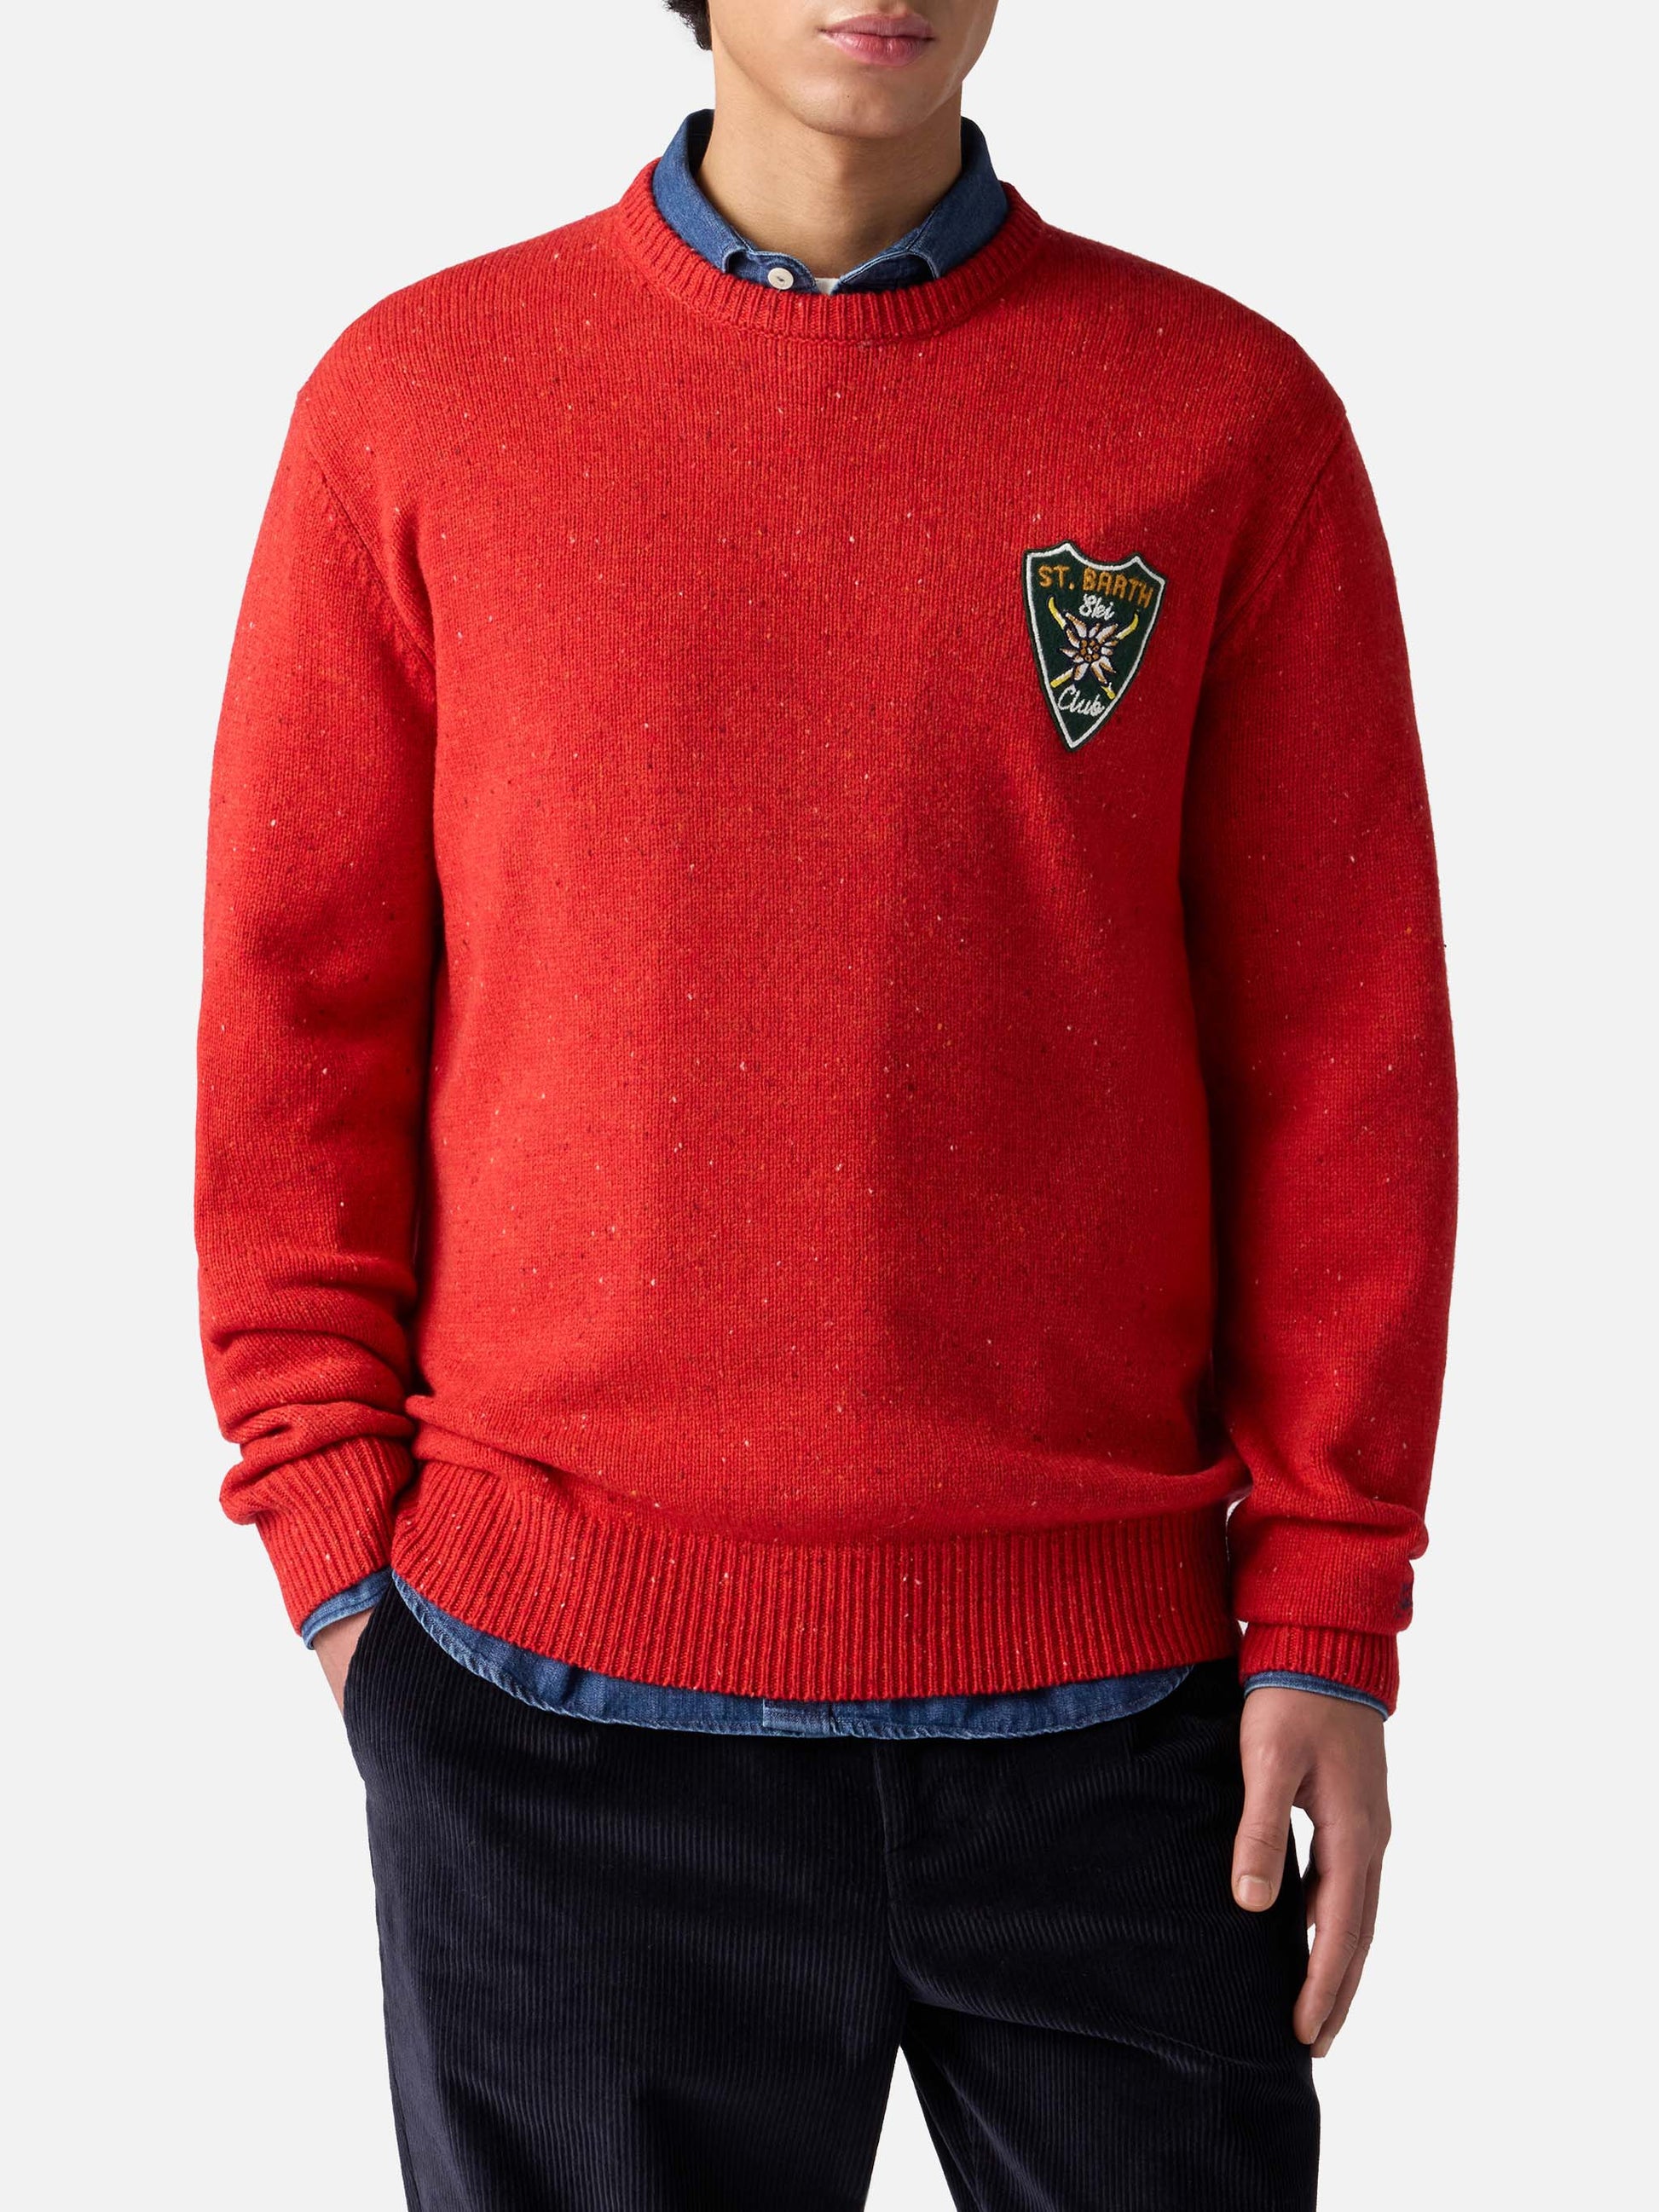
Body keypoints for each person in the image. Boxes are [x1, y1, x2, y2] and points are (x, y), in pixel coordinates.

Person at [195, 3, 1457, 2205]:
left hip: (1120, 1717)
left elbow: (1336, 1057)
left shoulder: (1223, 420)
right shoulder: (418, 406)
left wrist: (1333, 1611)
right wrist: (336, 1564)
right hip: (552, 1705)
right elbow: (296, 1023)